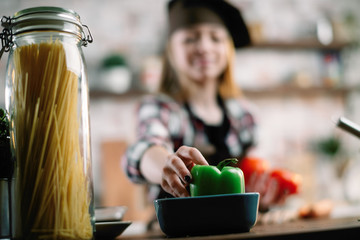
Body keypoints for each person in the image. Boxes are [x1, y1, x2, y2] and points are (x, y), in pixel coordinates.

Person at [123, 0, 288, 211]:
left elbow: (252, 177)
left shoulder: (246, 115)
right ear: (171, 50)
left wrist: (260, 199)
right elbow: (144, 149)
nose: (203, 47)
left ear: (228, 48)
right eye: (190, 39)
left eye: (216, 38)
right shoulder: (159, 108)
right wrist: (165, 163)